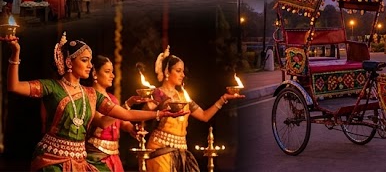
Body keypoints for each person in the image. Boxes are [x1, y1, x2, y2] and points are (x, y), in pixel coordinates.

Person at [2, 32, 185, 171]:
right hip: (52, 159)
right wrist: (15, 53)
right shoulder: (52, 87)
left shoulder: (91, 94)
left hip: (81, 161)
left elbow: (127, 114)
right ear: (68, 62)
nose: (90, 65)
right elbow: (14, 86)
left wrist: (161, 113)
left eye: (90, 60)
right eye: (84, 60)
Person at [143, 46, 244, 172]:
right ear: (167, 72)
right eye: (178, 71)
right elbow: (143, 116)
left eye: (183, 71)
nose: (182, 75)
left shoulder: (183, 96)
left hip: (181, 152)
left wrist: (224, 98)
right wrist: (148, 106)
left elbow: (204, 116)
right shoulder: (159, 93)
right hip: (160, 150)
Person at [84, 55, 151, 172]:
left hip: (114, 156)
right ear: (94, 73)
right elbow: (103, 123)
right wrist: (127, 105)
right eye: (107, 71)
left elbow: (122, 122)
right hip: (96, 156)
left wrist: (132, 128)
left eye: (112, 72)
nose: (112, 76)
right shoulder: (89, 96)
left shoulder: (112, 99)